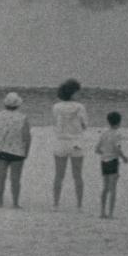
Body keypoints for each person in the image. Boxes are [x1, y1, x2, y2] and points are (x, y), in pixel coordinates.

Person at [0, 92, 32, 208]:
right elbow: (26, 137)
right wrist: (26, 151)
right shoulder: (22, 117)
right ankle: (15, 203)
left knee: (0, 177)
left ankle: (0, 201)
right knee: (15, 179)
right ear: (18, 104)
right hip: (17, 151)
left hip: (0, 149)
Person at [52, 78, 88, 210]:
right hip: (76, 142)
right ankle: (79, 204)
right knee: (77, 175)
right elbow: (85, 125)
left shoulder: (56, 107)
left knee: (59, 174)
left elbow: (56, 122)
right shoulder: (80, 107)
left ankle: (56, 203)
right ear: (73, 93)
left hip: (61, 141)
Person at [96, 111, 128, 219]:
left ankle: (102, 211)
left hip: (104, 161)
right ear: (119, 122)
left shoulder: (104, 133)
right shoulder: (117, 134)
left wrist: (104, 153)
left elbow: (97, 149)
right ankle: (110, 213)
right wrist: (123, 157)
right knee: (113, 188)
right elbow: (117, 147)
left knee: (105, 187)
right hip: (113, 161)